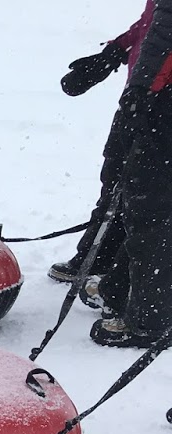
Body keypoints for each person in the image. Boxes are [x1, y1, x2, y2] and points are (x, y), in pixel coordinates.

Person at [49, 2, 154, 286]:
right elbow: (151, 24)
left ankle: (136, 285)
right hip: (138, 101)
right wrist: (115, 51)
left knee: (147, 196)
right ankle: (103, 262)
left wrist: (150, 90)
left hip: (157, 106)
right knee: (117, 182)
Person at [90, 0, 172, 348]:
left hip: (161, 101)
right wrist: (115, 51)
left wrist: (141, 92)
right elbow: (151, 21)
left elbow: (166, 30)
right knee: (137, 198)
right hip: (156, 94)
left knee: (150, 206)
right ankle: (120, 287)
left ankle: (150, 319)